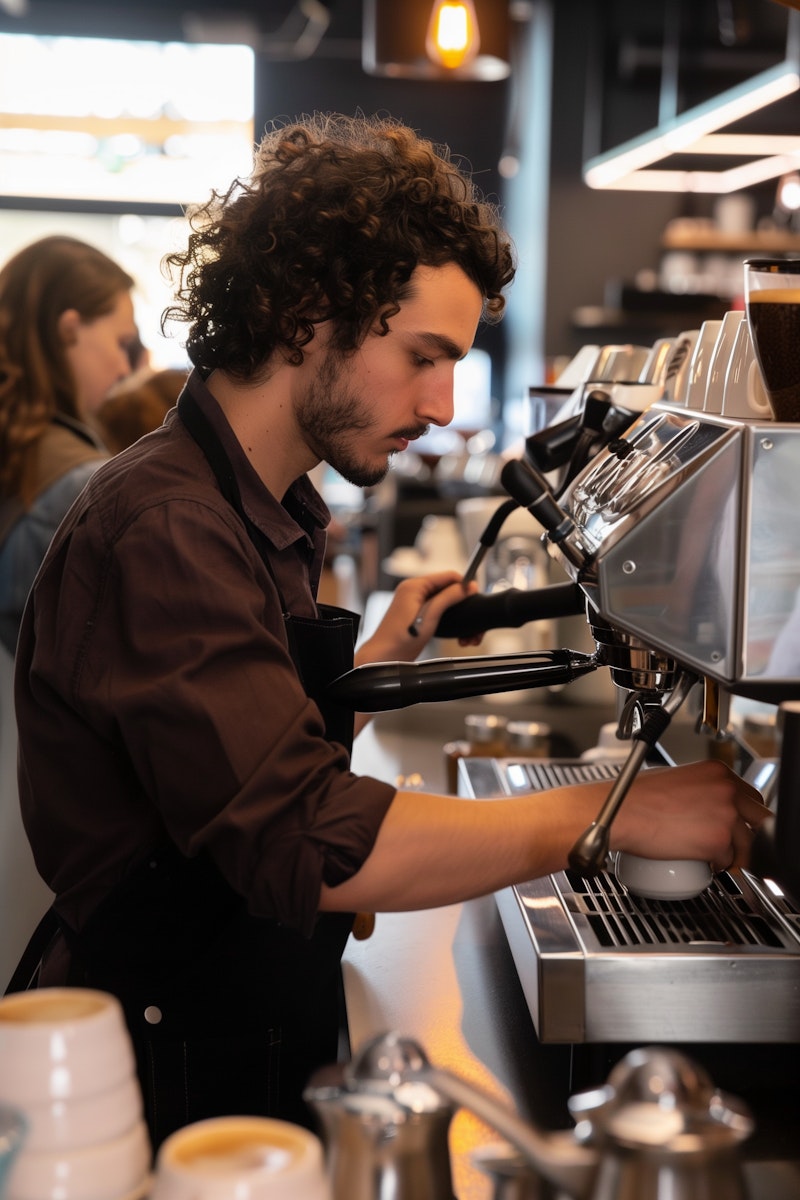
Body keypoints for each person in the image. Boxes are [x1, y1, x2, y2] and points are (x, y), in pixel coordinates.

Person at [12, 113, 768, 1147]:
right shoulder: (167, 525)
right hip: (169, 1064)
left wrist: (368, 669)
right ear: (306, 314)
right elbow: (304, 844)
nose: (444, 403)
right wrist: (615, 816)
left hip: (240, 1022)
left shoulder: (262, 505)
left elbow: (225, 776)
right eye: (422, 355)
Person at [0, 235, 138, 654]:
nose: (124, 368)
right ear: (69, 329)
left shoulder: (24, 454)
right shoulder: (81, 486)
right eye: (120, 343)